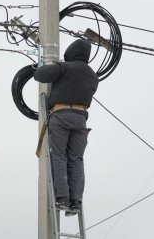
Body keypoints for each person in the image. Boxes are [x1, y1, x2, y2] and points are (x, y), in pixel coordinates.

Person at [33, 39, 99, 216]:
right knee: (76, 159)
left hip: (61, 115)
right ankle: (75, 201)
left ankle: (62, 198)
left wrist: (51, 66)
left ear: (71, 52)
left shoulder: (65, 67)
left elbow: (39, 75)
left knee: (59, 156)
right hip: (81, 119)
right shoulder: (93, 75)